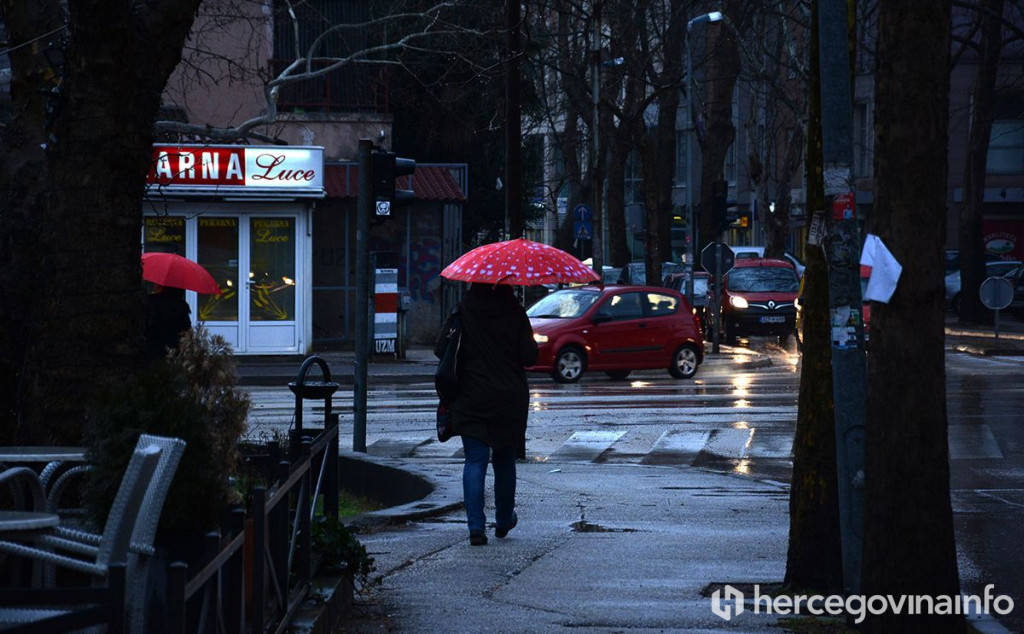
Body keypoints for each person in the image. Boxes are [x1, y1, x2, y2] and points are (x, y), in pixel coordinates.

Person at [434, 283, 538, 545]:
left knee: (475, 460)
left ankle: (476, 528)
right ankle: (503, 520)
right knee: (504, 458)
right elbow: (529, 356)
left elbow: (440, 350)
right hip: (508, 398)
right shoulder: (514, 312)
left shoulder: (462, 311)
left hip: (471, 397)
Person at [143, 284, 192, 361]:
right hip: (175, 353)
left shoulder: (150, 303)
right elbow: (187, 331)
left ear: (162, 287)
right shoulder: (181, 306)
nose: (154, 287)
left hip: (151, 350)